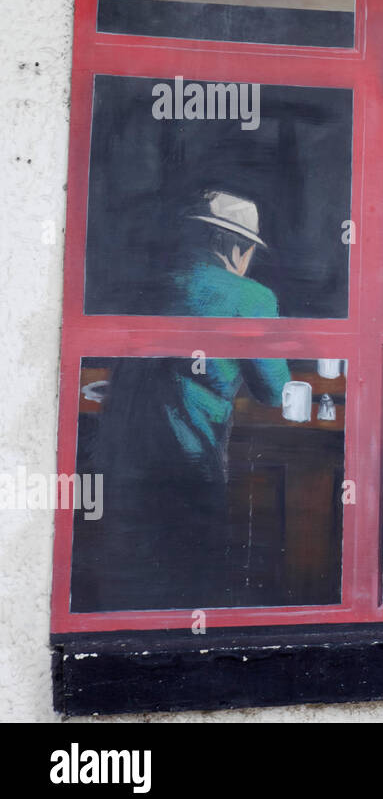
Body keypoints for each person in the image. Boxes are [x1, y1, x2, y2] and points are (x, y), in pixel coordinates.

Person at [75, 191, 294, 611]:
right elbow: (273, 391)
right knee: (190, 577)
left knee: (130, 578)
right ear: (235, 246)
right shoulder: (251, 297)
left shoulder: (149, 288)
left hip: (118, 456)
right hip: (189, 455)